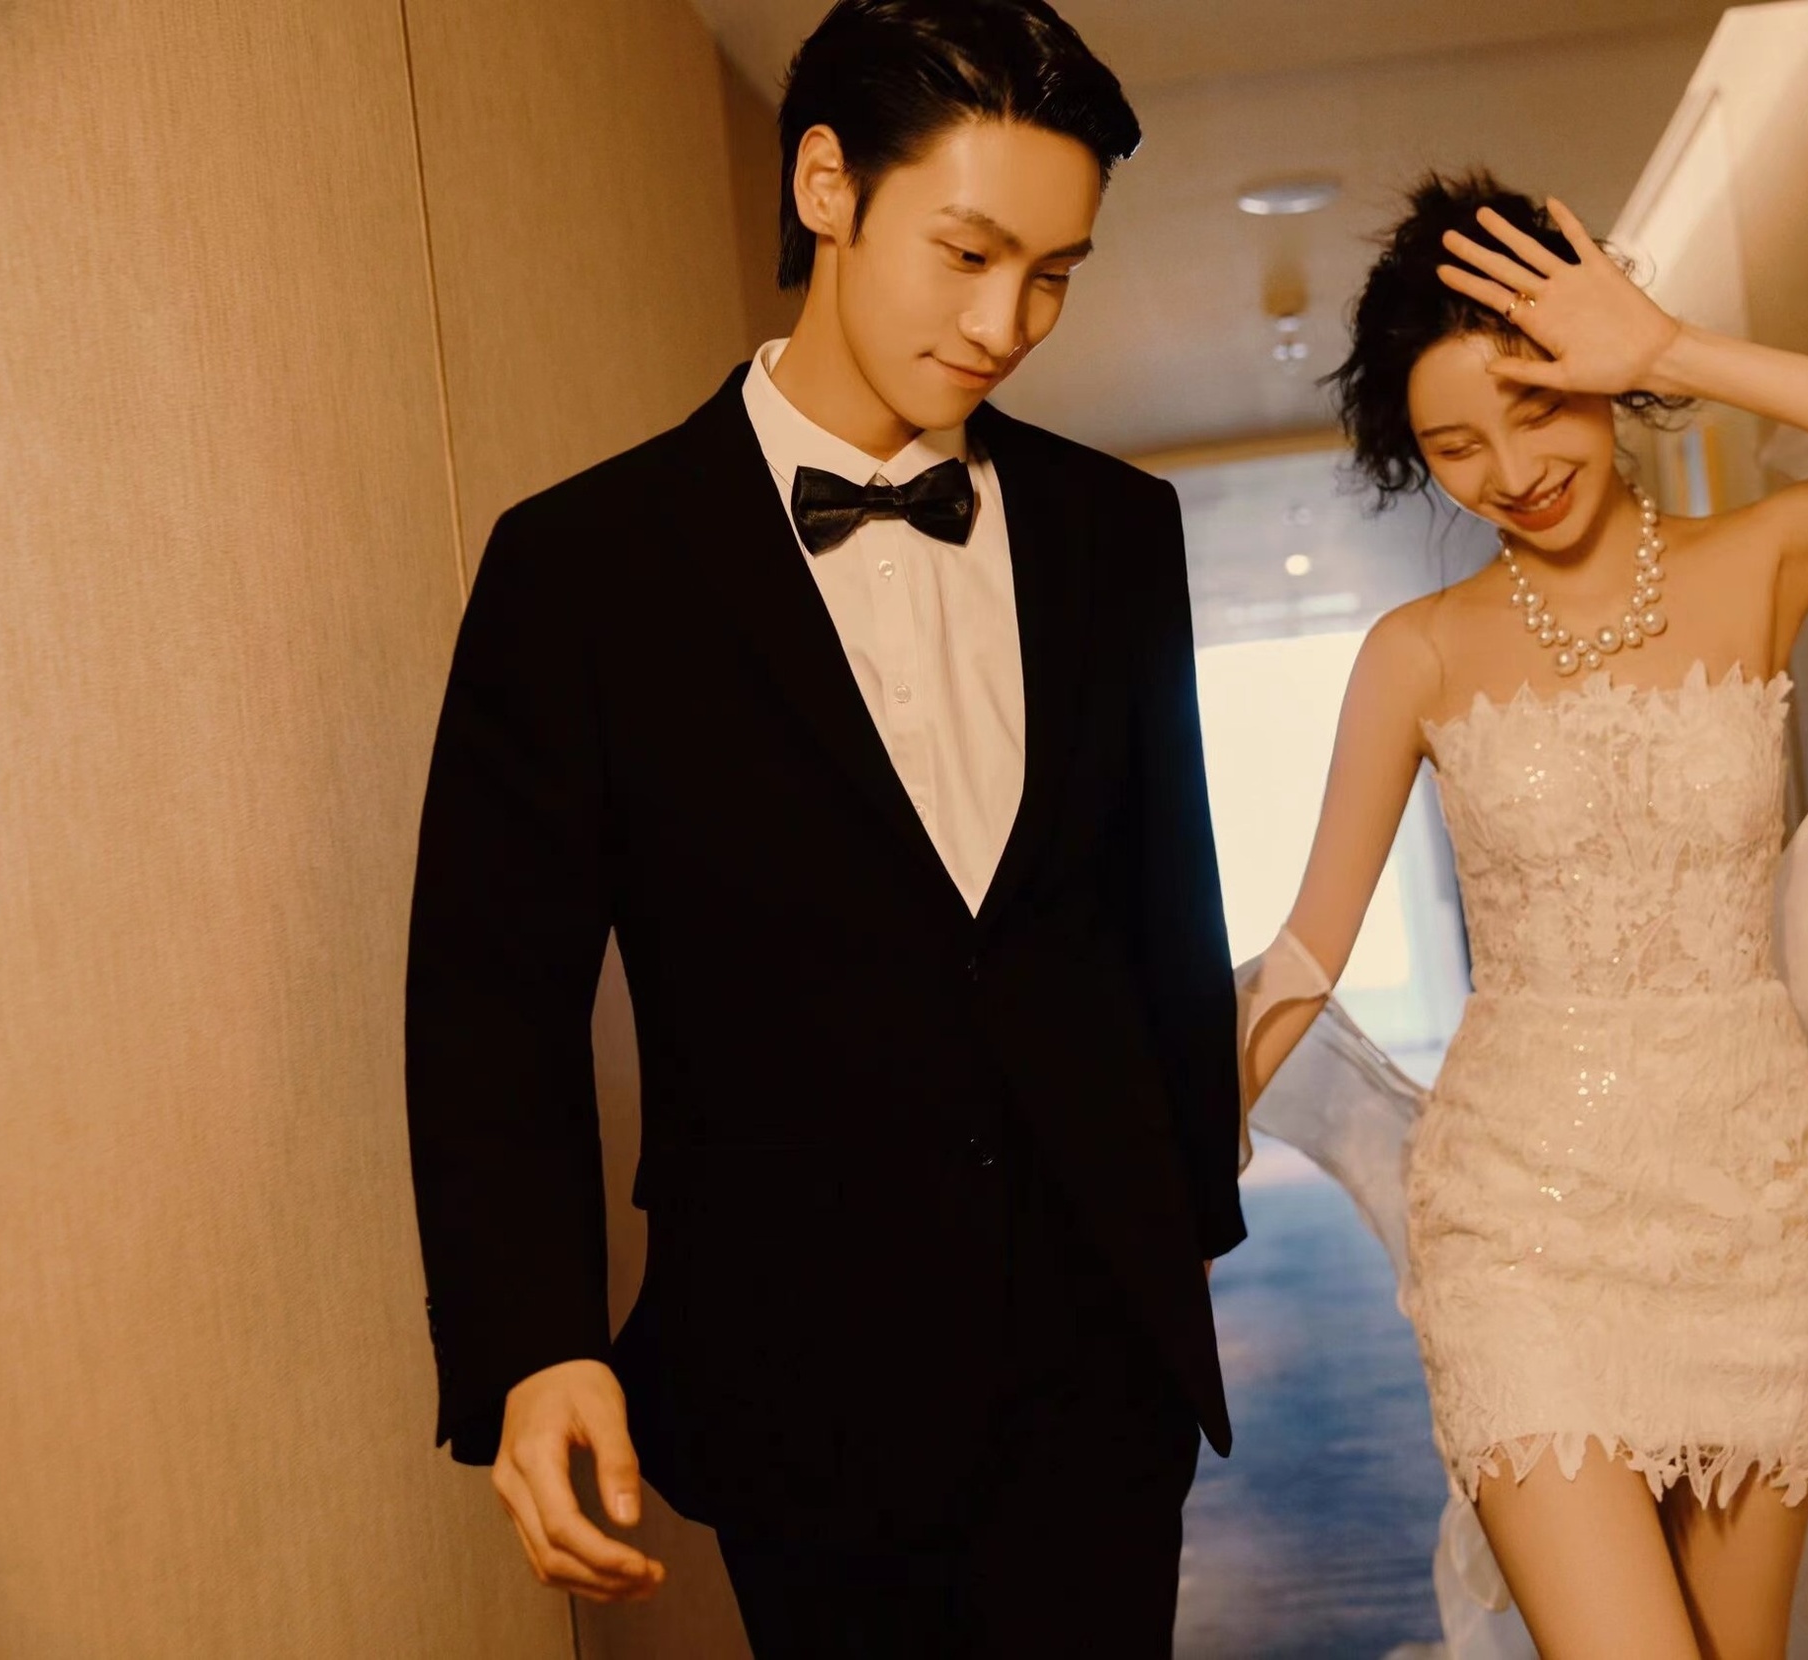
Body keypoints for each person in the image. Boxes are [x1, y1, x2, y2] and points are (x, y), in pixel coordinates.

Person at [401, 3, 1242, 1654]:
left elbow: (1165, 907)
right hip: (798, 1371)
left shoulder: (1115, 530)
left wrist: (1183, 1239)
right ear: (826, 186)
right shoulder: (583, 567)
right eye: (970, 254)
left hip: (1100, 1364)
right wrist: (535, 1340)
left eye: (1055, 274)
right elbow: (492, 999)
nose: (1006, 323)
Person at [1238, 174, 1808, 1660]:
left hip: (1754, 1205)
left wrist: (1675, 347)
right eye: (1454, 447)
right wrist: (1182, 1130)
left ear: (1601, 374)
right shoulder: (1417, 652)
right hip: (1516, 1226)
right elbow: (1307, 946)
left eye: (1538, 405)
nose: (1511, 469)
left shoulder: (1761, 560)